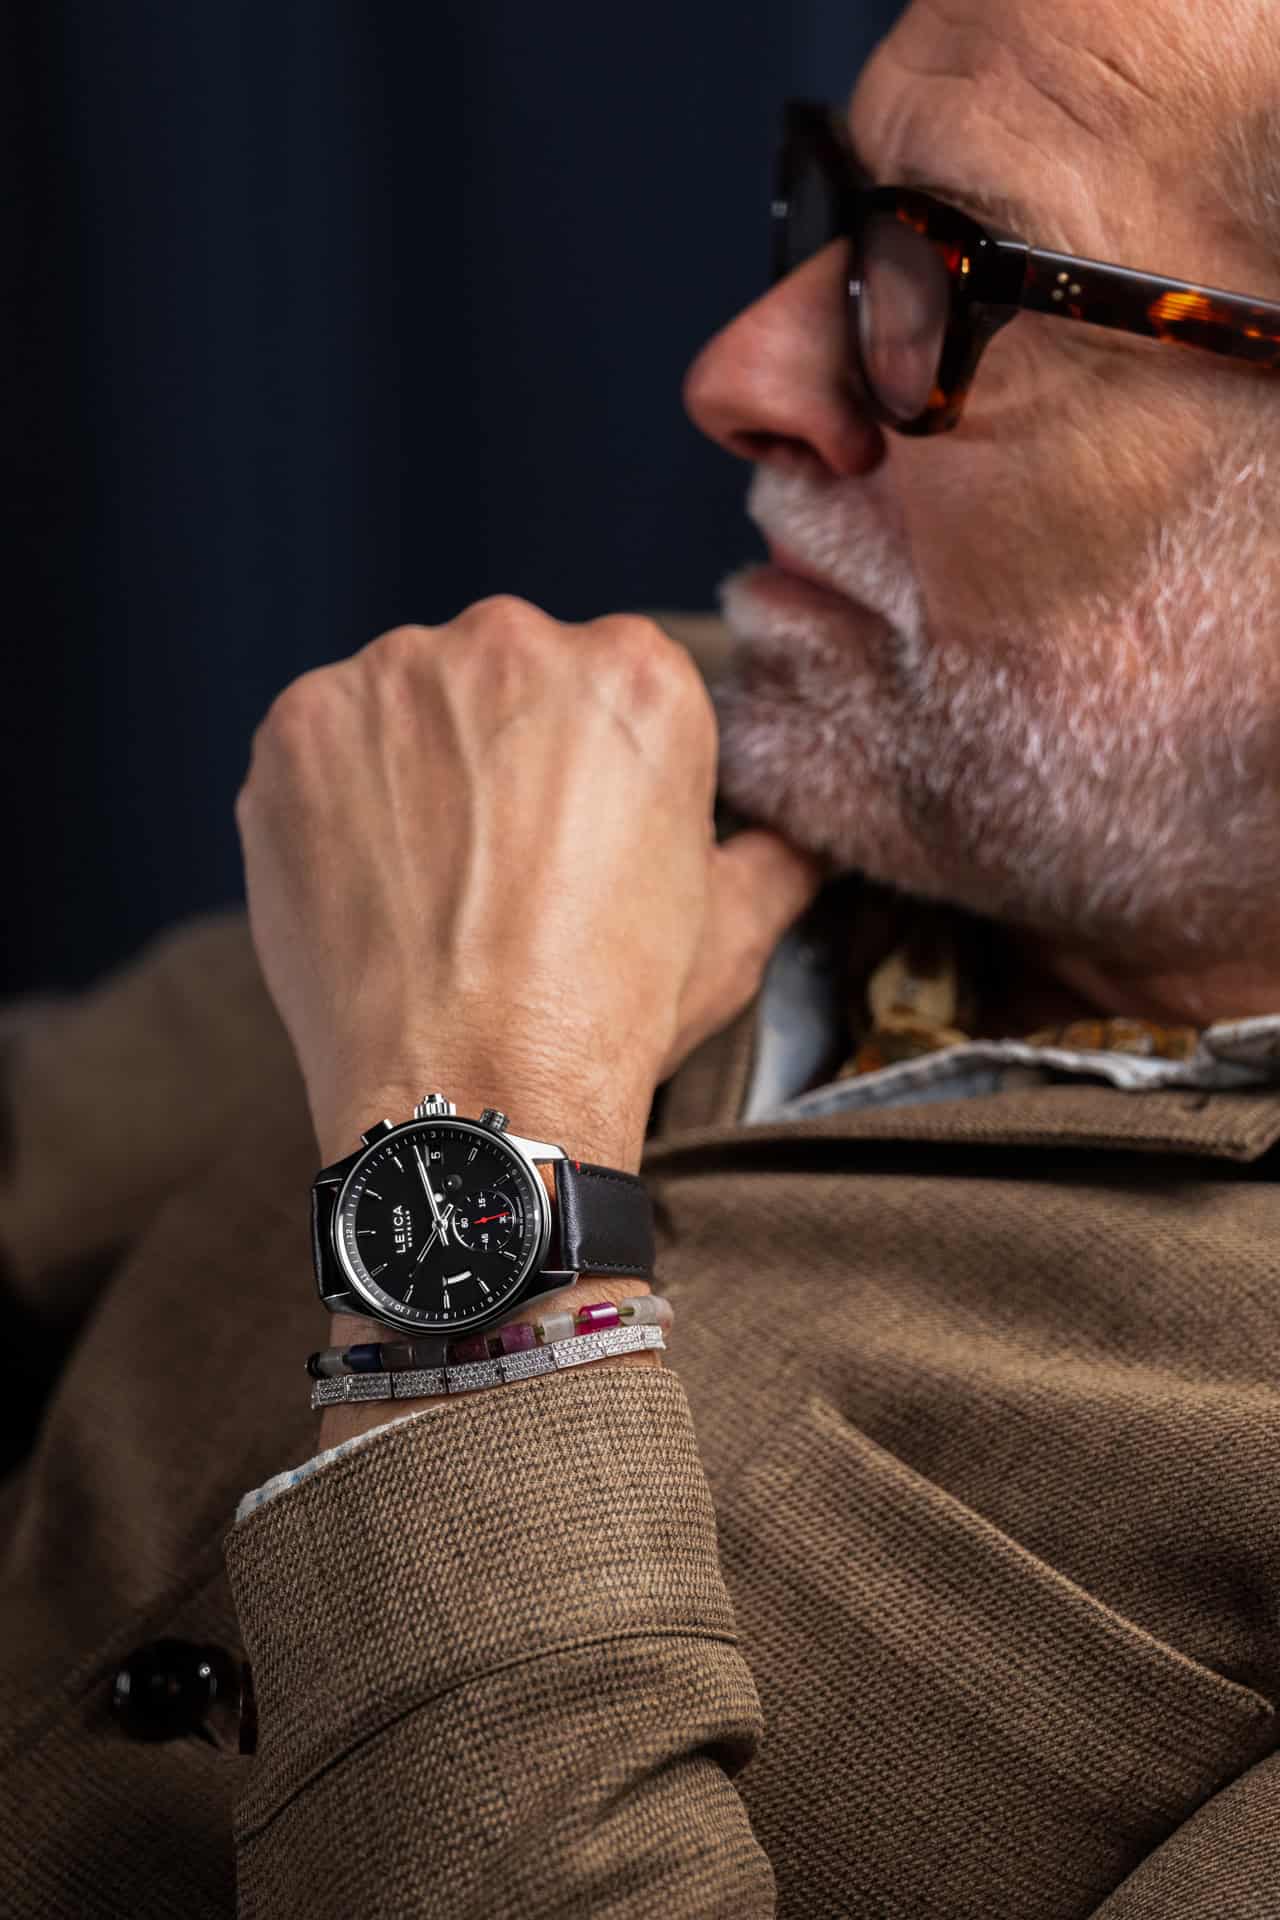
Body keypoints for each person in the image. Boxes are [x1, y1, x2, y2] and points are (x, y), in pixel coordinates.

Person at [5, 2, 1280, 1913]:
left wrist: (469, 1118)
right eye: (837, 216)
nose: (739, 370)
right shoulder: (633, 738)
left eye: (949, 276)